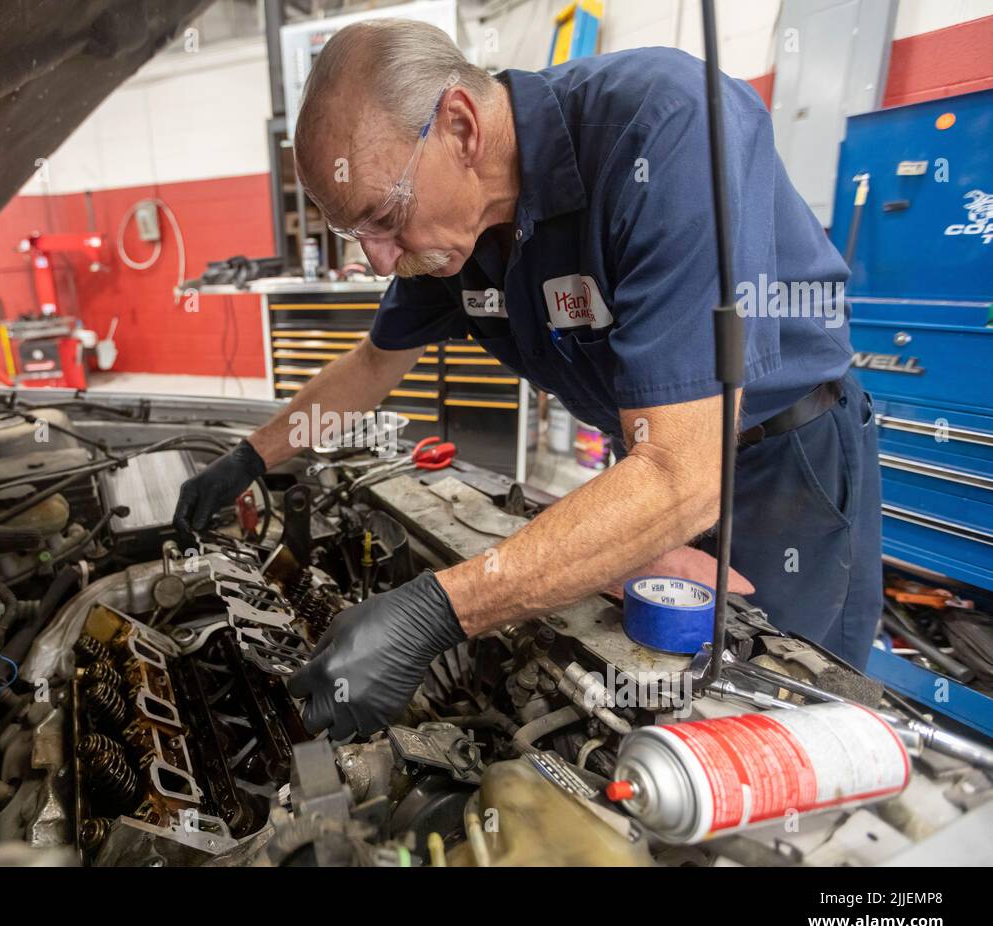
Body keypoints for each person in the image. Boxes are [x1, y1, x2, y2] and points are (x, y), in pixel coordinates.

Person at [173, 19, 881, 740]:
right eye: (361, 236)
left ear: (460, 125)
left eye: (384, 217)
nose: (381, 262)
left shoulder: (665, 129)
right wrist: (250, 458)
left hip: (786, 468)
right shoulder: (455, 235)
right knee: (644, 701)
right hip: (650, 456)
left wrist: (437, 611)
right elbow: (372, 367)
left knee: (771, 724)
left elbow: (684, 472)